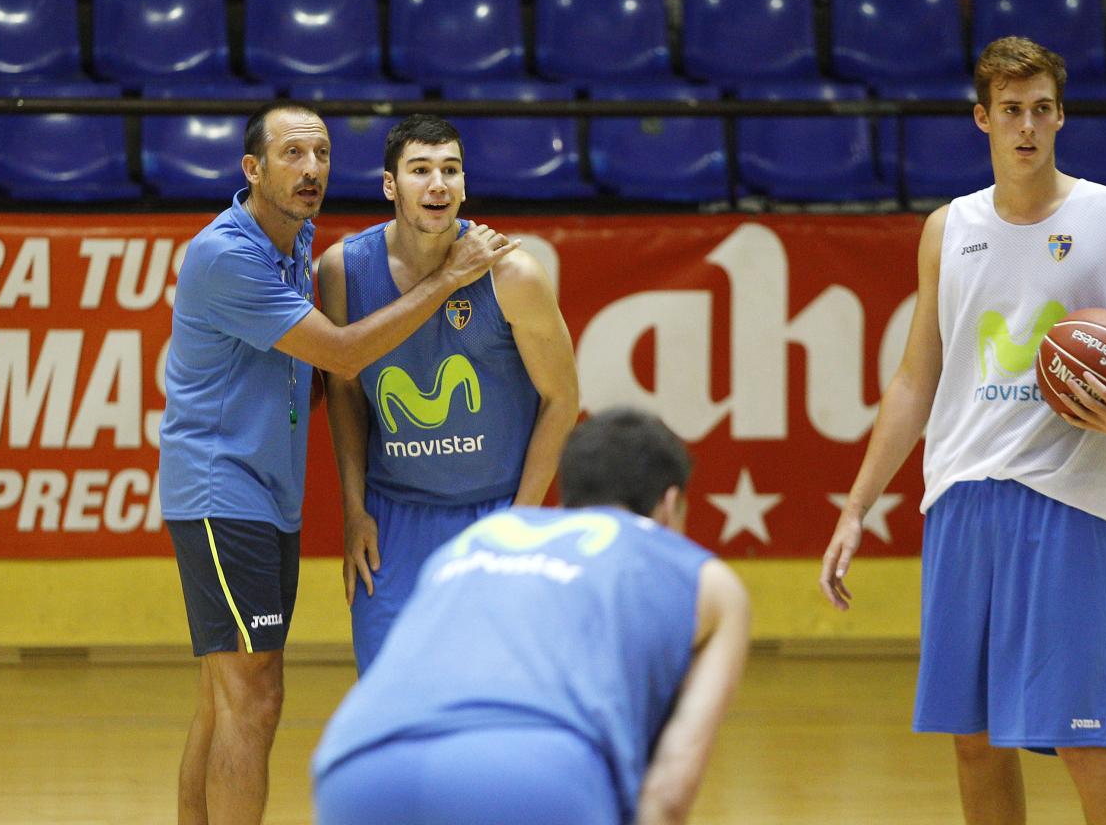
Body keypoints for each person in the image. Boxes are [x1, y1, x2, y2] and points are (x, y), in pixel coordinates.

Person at [819, 37, 1106, 825]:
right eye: (1012, 111)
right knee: (975, 739)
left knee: (1083, 741)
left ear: (1061, 117)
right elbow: (916, 379)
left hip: (1068, 499)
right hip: (961, 495)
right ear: (982, 119)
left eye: (1043, 110)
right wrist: (856, 507)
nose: (1028, 127)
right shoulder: (947, 229)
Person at [158, 100, 519, 825]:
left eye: (321, 154)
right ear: (252, 169)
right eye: (293, 155)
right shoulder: (230, 253)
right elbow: (346, 354)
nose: (312, 169)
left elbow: (312, 383)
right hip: (223, 495)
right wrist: (449, 279)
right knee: (255, 696)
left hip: (264, 495)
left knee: (224, 694)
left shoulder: (293, 242)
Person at [312, 408, 751, 825]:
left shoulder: (482, 539)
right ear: (670, 505)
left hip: (356, 761)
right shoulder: (699, 573)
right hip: (537, 770)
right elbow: (668, 796)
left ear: (569, 495)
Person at [317, 114, 580, 673]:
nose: (438, 184)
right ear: (390, 185)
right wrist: (355, 511)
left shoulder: (515, 275)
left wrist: (520, 521)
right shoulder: (342, 270)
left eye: (451, 170)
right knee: (389, 700)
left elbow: (562, 401)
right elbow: (345, 396)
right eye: (420, 170)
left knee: (488, 702)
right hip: (393, 520)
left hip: (494, 513)